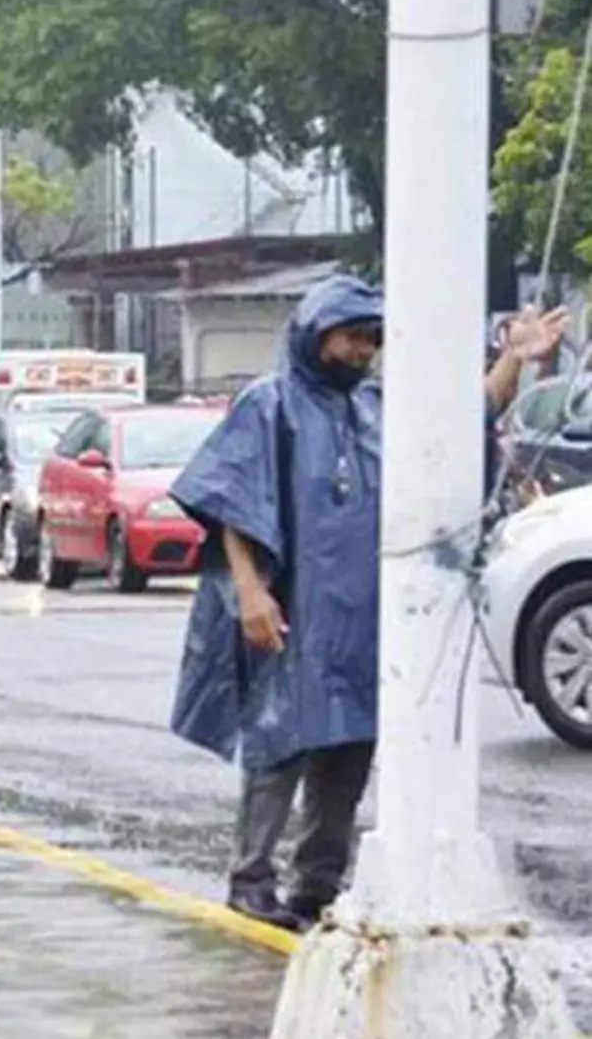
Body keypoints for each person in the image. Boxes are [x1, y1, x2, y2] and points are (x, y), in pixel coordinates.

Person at [168, 274, 565, 932]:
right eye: (353, 337)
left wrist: (515, 359)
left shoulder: (376, 408)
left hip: (363, 614)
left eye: (372, 340)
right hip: (294, 606)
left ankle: (314, 886)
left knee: (349, 745)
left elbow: (471, 417)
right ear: (318, 332)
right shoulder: (269, 405)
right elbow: (231, 501)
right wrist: (250, 592)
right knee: (280, 740)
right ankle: (252, 879)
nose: (363, 351)